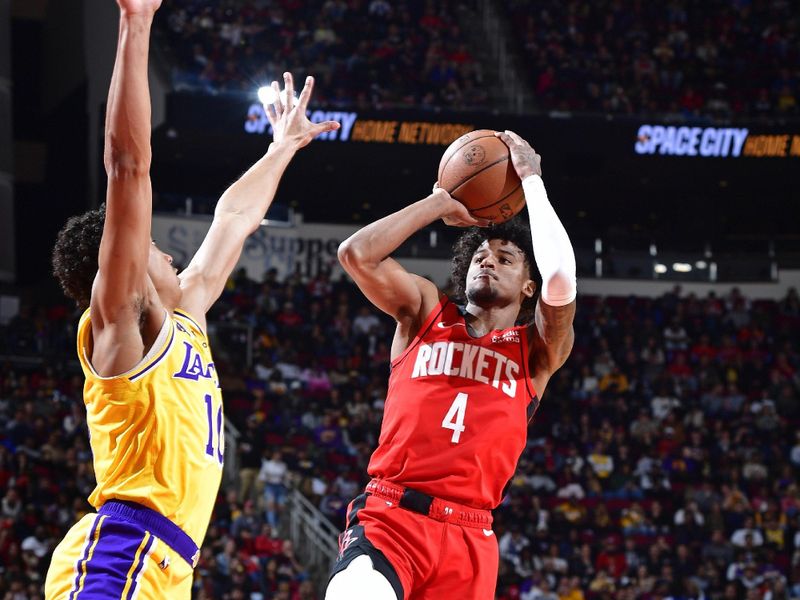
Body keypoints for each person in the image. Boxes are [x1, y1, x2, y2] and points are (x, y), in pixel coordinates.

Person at [44, 1, 338, 597]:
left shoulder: (183, 317)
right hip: (119, 557)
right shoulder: (121, 333)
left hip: (168, 565)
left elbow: (233, 219)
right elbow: (128, 167)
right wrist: (136, 20)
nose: (171, 255)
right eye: (153, 248)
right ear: (127, 270)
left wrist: (282, 147)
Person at [326, 130, 576, 599]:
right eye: (481, 254)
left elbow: (561, 276)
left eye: (506, 258)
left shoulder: (537, 350)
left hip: (470, 537)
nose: (489, 261)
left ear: (528, 288)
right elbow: (355, 254)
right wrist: (440, 201)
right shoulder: (426, 312)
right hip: (391, 517)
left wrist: (532, 180)